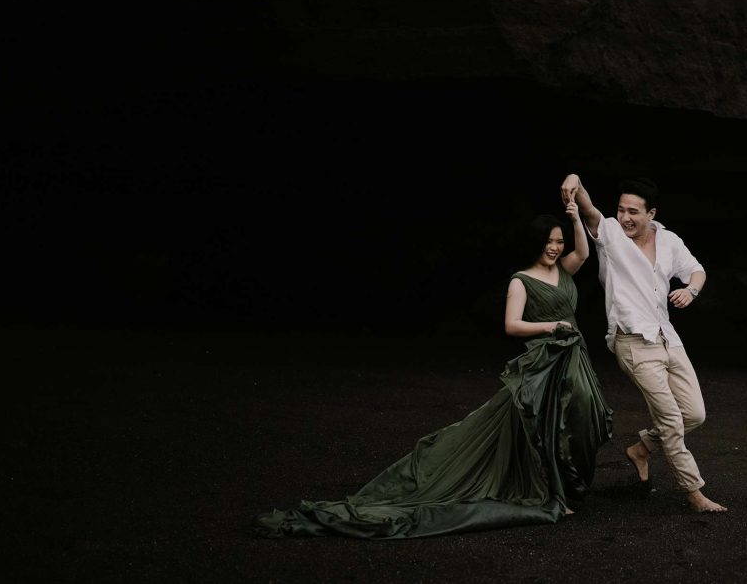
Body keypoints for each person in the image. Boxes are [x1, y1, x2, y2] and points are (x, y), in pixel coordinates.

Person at [253, 200, 612, 538]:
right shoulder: (521, 280)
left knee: (579, 417)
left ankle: (565, 489)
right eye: (549, 241)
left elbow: (583, 252)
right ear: (536, 243)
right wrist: (551, 327)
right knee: (547, 427)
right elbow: (511, 325)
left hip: (574, 357)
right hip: (544, 362)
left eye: (559, 241)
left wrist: (575, 216)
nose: (555, 247)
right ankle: (554, 493)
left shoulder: (564, 269)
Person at [560, 173, 727, 513]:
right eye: (621, 210)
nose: (625, 217)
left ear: (651, 214)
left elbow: (696, 270)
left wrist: (691, 291)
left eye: (633, 212)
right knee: (671, 421)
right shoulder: (610, 234)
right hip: (633, 342)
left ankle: (641, 450)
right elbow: (588, 208)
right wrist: (576, 179)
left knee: (694, 414)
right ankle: (695, 492)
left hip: (667, 338)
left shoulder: (669, 240)